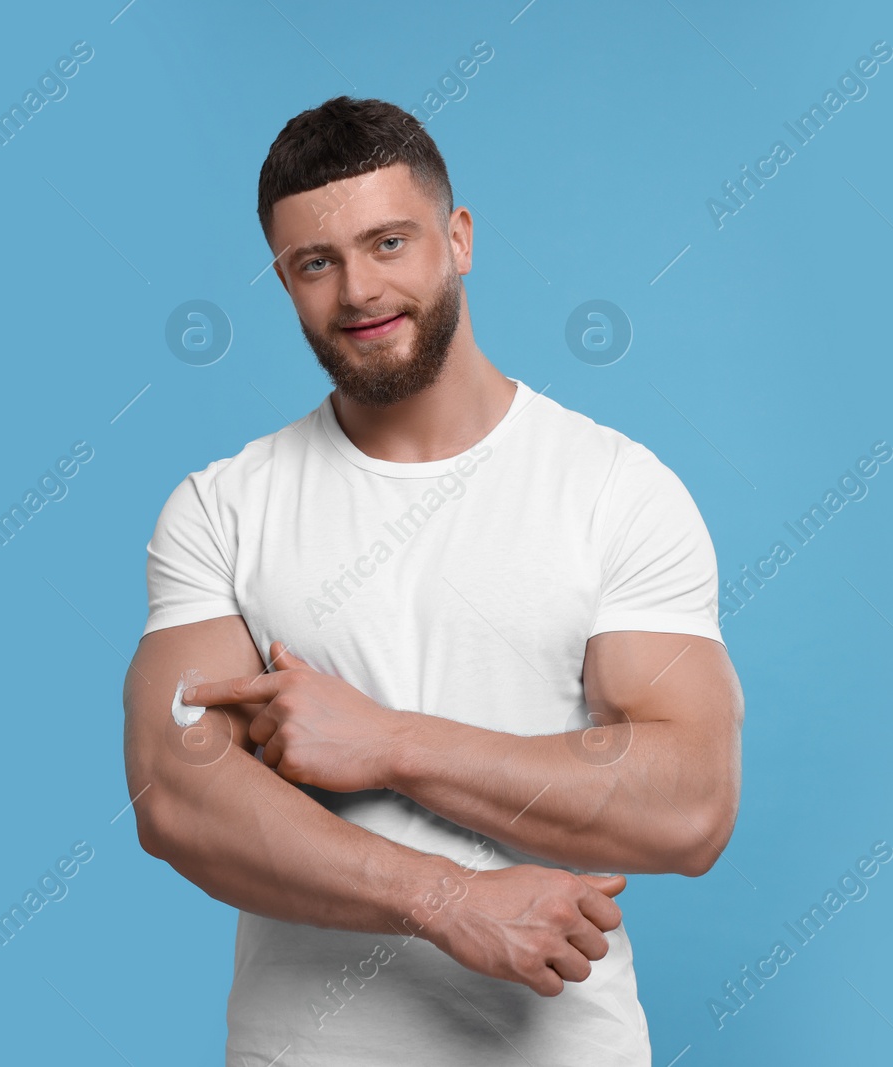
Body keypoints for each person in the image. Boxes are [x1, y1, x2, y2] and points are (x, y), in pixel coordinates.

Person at [123, 94, 744, 1066]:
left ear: (456, 237)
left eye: (388, 242)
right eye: (314, 263)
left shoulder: (614, 490)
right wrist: (442, 898)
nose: (358, 291)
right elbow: (176, 796)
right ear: (283, 280)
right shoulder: (222, 508)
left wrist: (392, 744)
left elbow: (691, 803)